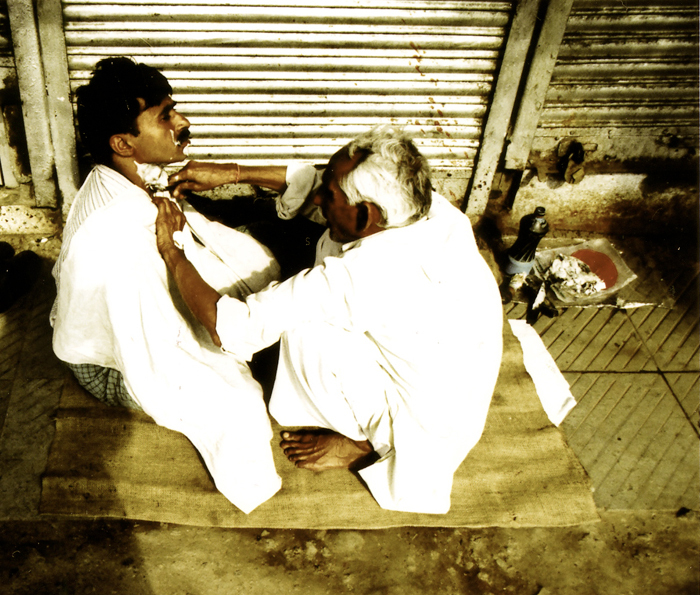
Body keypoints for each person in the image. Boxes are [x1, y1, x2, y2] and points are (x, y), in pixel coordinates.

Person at [155, 126, 504, 514]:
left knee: (304, 330)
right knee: (312, 274)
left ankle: (367, 446)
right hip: (453, 378)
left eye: (330, 195)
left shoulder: (364, 274)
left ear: (366, 214)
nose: (318, 196)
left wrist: (173, 251)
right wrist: (233, 173)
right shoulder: (429, 209)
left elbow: (232, 328)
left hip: (424, 426)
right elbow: (320, 181)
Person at [50, 57, 284, 514]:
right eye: (165, 116)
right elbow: (154, 348)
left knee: (258, 269)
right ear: (123, 143)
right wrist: (225, 355)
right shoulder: (122, 231)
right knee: (237, 402)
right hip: (108, 368)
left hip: (133, 316)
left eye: (173, 109)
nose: (182, 122)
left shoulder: (121, 174)